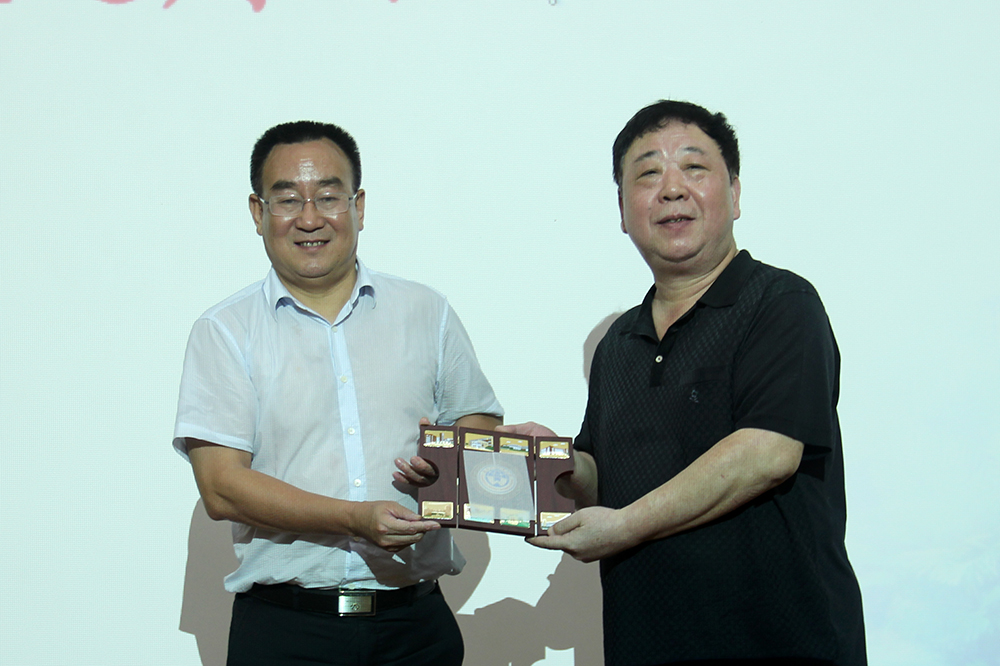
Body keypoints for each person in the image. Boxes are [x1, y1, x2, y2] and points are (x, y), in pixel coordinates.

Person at [503, 101, 866, 665]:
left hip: (782, 645)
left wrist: (623, 528)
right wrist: (560, 463)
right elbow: (606, 481)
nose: (672, 189)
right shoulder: (618, 343)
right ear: (622, 211)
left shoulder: (781, 303)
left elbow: (767, 454)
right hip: (645, 644)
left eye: (694, 168)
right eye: (648, 174)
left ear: (735, 194)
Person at [172, 120, 502, 666]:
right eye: (287, 200)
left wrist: (445, 462)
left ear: (359, 206)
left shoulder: (426, 312)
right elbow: (222, 487)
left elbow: (479, 420)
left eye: (328, 196)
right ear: (257, 213)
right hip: (286, 634)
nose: (310, 218)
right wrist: (353, 518)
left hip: (416, 628)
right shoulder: (225, 331)